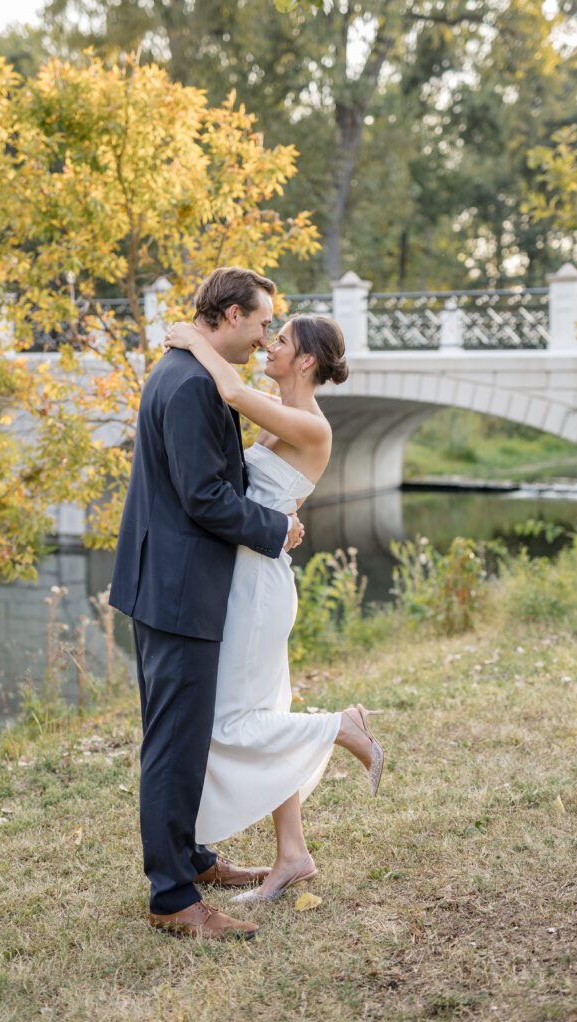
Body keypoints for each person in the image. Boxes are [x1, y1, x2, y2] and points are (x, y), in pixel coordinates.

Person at [109, 267, 306, 941]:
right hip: (176, 589)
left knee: (184, 735)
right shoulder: (192, 385)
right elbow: (203, 498)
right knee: (173, 744)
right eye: (258, 321)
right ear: (226, 316)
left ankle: (190, 859)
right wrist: (274, 529)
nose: (262, 334)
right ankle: (172, 896)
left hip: (166, 581)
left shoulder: (185, 369)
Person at [163, 311, 384, 904]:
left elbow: (229, 391)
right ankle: (293, 855)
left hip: (257, 585)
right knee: (263, 712)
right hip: (248, 573)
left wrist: (191, 339)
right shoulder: (277, 411)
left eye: (279, 339)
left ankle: (340, 726)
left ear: (306, 360)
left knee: (236, 721)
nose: (267, 343)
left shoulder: (310, 425)